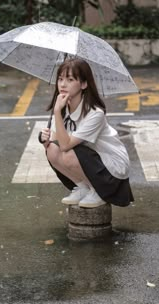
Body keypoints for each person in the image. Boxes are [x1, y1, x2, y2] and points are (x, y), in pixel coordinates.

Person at [39, 58, 134, 208]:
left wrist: (57, 111)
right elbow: (57, 143)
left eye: (70, 79)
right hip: (91, 160)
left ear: (83, 84)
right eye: (60, 79)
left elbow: (65, 146)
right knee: (51, 150)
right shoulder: (64, 107)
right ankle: (83, 187)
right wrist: (46, 142)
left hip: (112, 168)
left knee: (69, 153)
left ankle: (98, 191)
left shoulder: (95, 113)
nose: (63, 84)